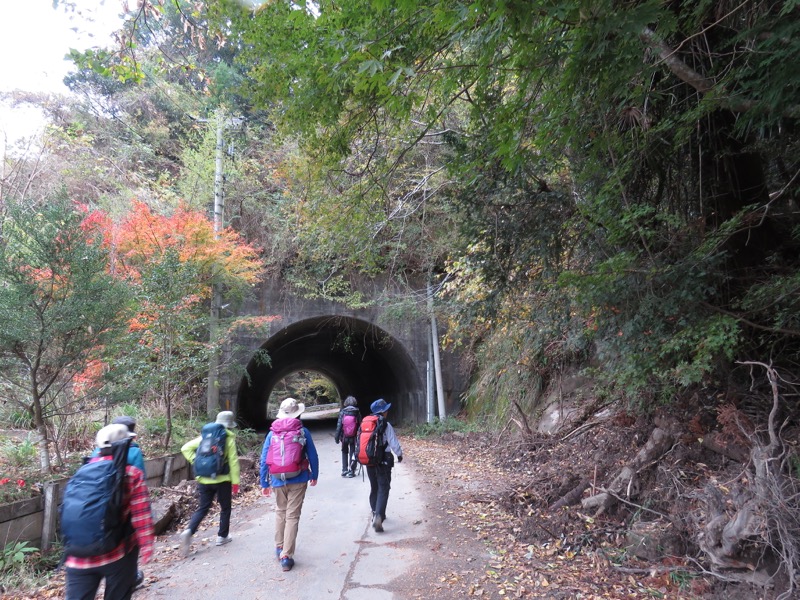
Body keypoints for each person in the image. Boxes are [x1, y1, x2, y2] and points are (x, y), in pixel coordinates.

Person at [64, 424, 154, 600]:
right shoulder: (131, 473)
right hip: (117, 554)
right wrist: (147, 547)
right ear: (125, 445)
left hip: (77, 556)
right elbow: (141, 516)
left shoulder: (82, 471)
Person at [260, 398, 319, 572]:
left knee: (280, 512)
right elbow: (313, 455)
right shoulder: (303, 431)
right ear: (297, 413)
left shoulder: (272, 433)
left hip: (277, 479)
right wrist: (314, 475)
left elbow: (264, 458)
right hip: (299, 478)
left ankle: (279, 547)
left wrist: (264, 482)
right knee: (292, 516)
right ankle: (286, 556)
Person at [90, 415, 147, 587]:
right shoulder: (134, 451)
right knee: (129, 540)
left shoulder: (97, 452)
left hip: (97, 506)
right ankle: (131, 576)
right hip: (123, 505)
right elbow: (141, 478)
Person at [179, 410, 241, 557]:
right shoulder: (228, 439)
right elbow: (233, 462)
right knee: (225, 508)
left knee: (203, 508)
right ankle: (222, 536)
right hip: (222, 479)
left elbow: (185, 448)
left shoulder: (205, 436)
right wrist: (236, 482)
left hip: (204, 479)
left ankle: (189, 530)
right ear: (229, 425)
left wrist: (196, 462)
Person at [365, 399, 403, 533]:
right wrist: (399, 454)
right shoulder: (385, 425)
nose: (387, 411)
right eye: (386, 409)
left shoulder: (366, 423)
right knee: (383, 487)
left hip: (369, 460)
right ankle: (379, 516)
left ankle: (375, 512)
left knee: (374, 487)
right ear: (383, 412)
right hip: (383, 460)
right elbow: (393, 442)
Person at [334, 395, 362, 477]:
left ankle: (344, 470)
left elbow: (339, 426)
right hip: (353, 437)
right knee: (353, 453)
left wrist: (336, 437)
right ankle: (352, 471)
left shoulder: (342, 412)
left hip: (344, 437)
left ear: (346, 403)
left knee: (344, 452)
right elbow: (361, 426)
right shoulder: (357, 412)